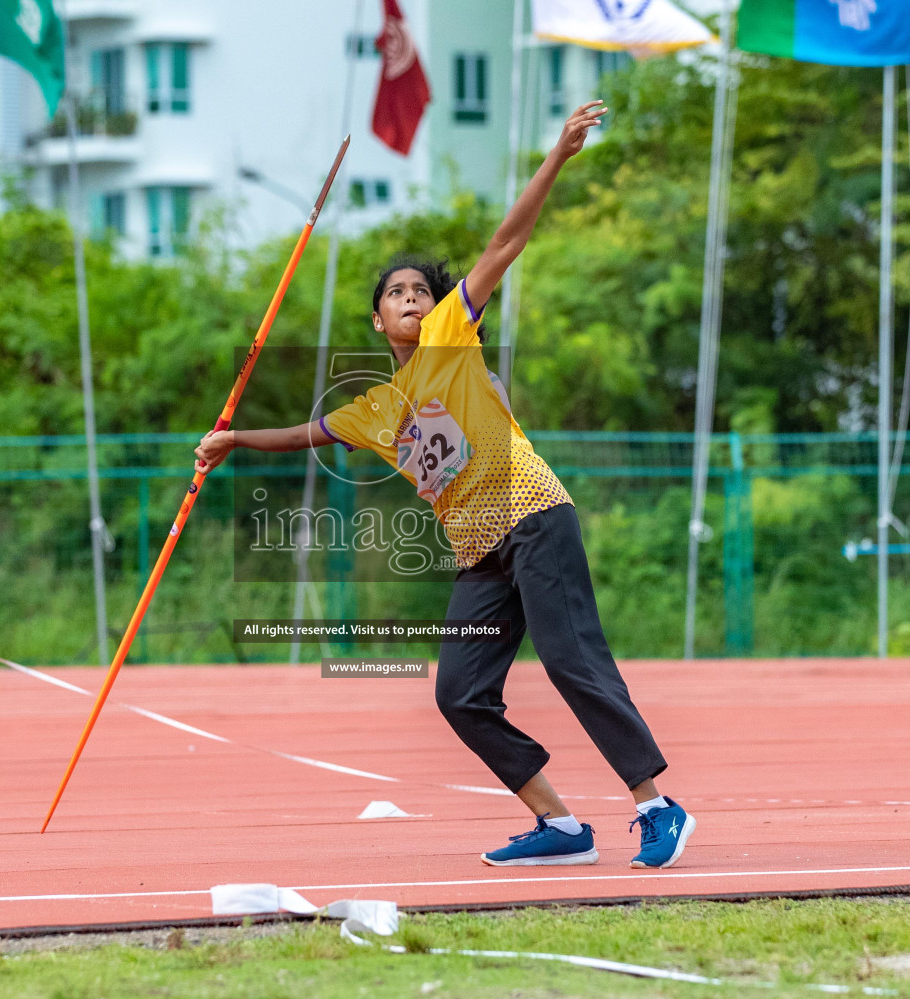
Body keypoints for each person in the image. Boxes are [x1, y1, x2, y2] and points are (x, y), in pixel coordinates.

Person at [194, 102, 694, 869]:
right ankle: (560, 827)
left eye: (421, 291)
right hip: (478, 551)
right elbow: (304, 435)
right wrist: (233, 440)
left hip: (532, 515)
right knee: (458, 693)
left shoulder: (449, 339)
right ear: (375, 320)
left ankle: (657, 805)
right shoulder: (374, 408)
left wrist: (557, 157)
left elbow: (507, 242)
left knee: (570, 660)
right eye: (397, 293)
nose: (412, 299)